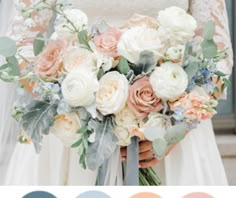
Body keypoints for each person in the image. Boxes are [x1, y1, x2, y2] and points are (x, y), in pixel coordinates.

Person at [1, 0, 233, 185]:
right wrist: (73, 106)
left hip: (168, 130)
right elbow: (20, 42)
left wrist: (177, 128)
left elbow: (217, 53)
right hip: (72, 132)